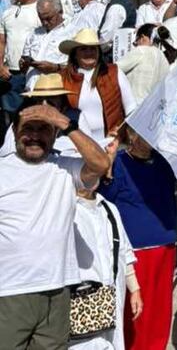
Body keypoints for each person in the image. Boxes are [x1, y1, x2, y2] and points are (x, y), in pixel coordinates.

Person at [0, 89, 110, 347]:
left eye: (44, 129)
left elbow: (101, 164)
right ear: (14, 131)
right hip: (9, 292)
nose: (35, 136)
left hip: (57, 292)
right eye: (28, 128)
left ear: (55, 134)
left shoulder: (65, 168)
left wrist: (64, 122)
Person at [98, 123, 177, 350]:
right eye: (143, 133)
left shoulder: (163, 162)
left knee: (160, 307)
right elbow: (107, 197)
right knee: (137, 309)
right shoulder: (120, 161)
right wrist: (109, 167)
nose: (149, 138)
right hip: (136, 248)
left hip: (165, 242)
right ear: (131, 136)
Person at [70, 184, 140, 350]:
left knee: (114, 343)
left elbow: (124, 251)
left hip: (112, 297)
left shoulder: (109, 208)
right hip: (80, 302)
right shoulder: (68, 210)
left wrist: (135, 289)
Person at [58, 28, 137, 142]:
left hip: (111, 142)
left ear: (98, 52)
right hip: (75, 144)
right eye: (84, 49)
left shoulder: (114, 72)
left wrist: (119, 132)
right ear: (75, 54)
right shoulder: (63, 78)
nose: (89, 52)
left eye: (92, 49)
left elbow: (131, 108)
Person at [21, 0, 78, 87]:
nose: (45, 23)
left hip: (56, 90)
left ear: (60, 11)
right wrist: (24, 64)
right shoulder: (34, 33)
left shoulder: (73, 33)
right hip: (31, 89)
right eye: (41, 19)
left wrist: (56, 68)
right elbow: (24, 67)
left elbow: (79, 68)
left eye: (48, 18)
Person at [116, 23, 171, 104]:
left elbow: (116, 69)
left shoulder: (141, 51)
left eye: (136, 41)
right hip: (151, 106)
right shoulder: (163, 59)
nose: (135, 45)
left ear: (142, 38)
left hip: (134, 104)